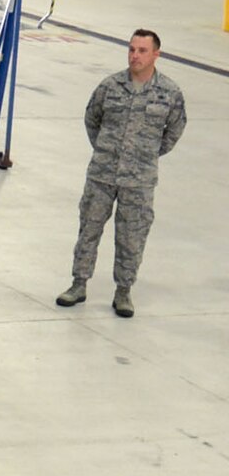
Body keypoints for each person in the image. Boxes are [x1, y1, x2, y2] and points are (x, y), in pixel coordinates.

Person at [57, 29, 185, 318]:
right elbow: (92, 119)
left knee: (131, 236)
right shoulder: (110, 86)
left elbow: (174, 131)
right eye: (131, 49)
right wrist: (106, 150)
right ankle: (78, 284)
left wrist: (145, 155)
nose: (134, 55)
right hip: (102, 175)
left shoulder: (169, 93)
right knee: (88, 229)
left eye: (142, 50)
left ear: (156, 54)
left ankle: (123, 291)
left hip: (139, 180)